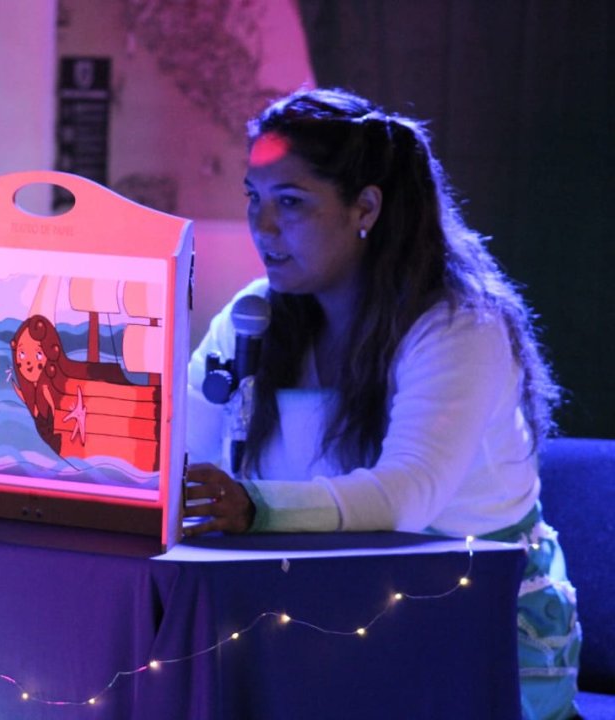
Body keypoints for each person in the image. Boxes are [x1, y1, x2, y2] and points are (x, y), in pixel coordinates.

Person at [184, 87, 581, 720]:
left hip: (472, 628)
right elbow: (181, 451)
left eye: (291, 202)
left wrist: (254, 506)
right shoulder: (253, 317)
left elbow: (405, 496)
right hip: (319, 618)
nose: (262, 226)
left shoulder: (460, 327)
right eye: (254, 198)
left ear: (365, 207)